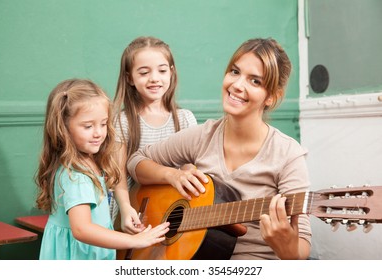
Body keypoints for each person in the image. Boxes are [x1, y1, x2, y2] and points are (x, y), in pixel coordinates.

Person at [127, 38, 312, 260]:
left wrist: (287, 246)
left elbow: (301, 250)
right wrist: (172, 175)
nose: (237, 85)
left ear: (272, 96)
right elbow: (136, 161)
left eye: (255, 81)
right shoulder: (203, 136)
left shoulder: (288, 155)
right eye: (235, 72)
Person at [35, 79, 169, 260]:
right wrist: (136, 241)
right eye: (88, 126)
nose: (98, 132)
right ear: (63, 128)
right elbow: (82, 229)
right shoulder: (76, 175)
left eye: (103, 123)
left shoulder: (89, 161)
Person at [110, 36, 197, 234]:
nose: (155, 78)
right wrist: (125, 208)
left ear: (171, 73)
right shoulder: (122, 122)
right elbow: (118, 176)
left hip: (171, 211)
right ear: (129, 78)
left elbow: (188, 170)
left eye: (162, 70)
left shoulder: (184, 119)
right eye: (144, 72)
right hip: (135, 211)